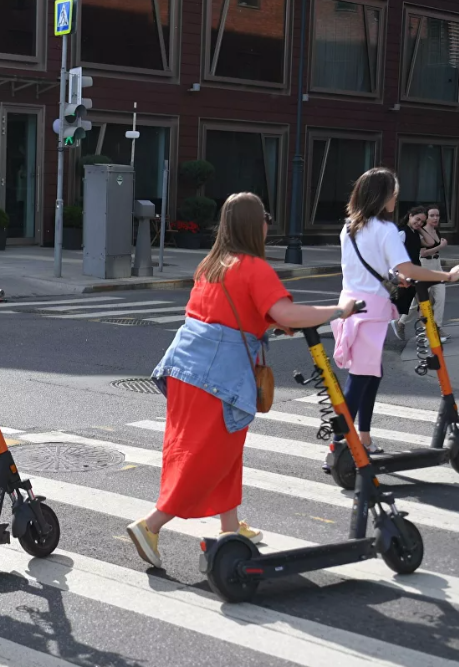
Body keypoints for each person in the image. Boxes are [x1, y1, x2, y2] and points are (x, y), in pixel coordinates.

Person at [125, 193, 360, 569]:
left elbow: (229, 311)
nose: (268, 224)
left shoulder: (211, 264)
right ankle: (151, 524)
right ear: (254, 224)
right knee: (207, 457)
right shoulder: (254, 267)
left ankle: (230, 528)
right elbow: (286, 312)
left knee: (223, 451)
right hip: (218, 377)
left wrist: (268, 322)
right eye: (266, 217)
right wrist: (339, 310)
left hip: (185, 369)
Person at [331, 169, 459, 459]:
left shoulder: (349, 228)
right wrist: (447, 276)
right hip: (371, 312)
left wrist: (394, 277)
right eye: (393, 192)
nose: (396, 197)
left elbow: (368, 268)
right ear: (382, 196)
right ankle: (340, 445)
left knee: (372, 375)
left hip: (351, 306)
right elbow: (408, 267)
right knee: (361, 377)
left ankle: (363, 438)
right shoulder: (386, 229)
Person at [391, 206, 427, 341]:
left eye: (422, 222)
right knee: (424, 302)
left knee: (424, 302)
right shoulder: (402, 232)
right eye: (417, 219)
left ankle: (401, 324)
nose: (419, 223)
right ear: (410, 215)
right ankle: (426, 335)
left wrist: (420, 229)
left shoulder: (415, 232)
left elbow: (430, 242)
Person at [419, 205, 448, 341]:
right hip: (425, 266)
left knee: (440, 297)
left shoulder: (437, 231)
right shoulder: (422, 232)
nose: (435, 218)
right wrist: (440, 247)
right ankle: (401, 322)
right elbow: (423, 253)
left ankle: (437, 328)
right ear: (426, 217)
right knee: (421, 302)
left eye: (437, 215)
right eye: (432, 215)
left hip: (437, 265)